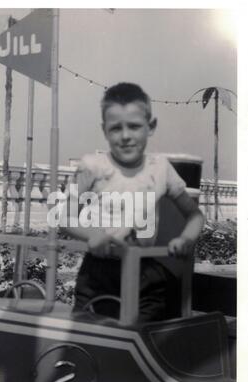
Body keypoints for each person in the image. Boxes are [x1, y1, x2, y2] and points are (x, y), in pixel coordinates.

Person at [60, 82, 204, 322]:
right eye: (116, 128)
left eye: (135, 126)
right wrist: (92, 235)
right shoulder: (92, 166)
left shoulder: (160, 169)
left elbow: (195, 215)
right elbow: (65, 217)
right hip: (98, 273)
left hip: (145, 273)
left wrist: (186, 239)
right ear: (104, 129)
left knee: (136, 343)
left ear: (151, 127)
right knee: (89, 342)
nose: (125, 136)